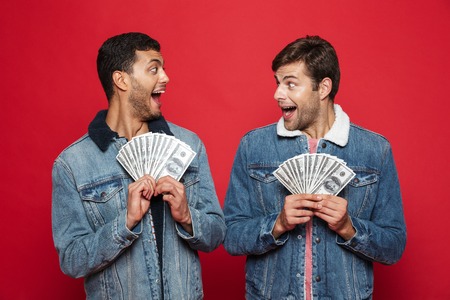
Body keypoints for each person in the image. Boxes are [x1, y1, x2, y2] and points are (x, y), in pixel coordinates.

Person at [223, 35, 406, 299]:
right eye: (277, 83)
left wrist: (349, 228)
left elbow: (394, 246)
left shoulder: (375, 151)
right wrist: (277, 224)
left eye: (290, 84)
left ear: (323, 88)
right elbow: (231, 236)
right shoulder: (253, 146)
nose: (277, 94)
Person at [52, 32, 226, 299]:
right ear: (121, 80)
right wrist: (125, 222)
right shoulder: (72, 164)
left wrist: (187, 216)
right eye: (154, 69)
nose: (165, 78)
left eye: (164, 69)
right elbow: (72, 259)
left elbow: (216, 234)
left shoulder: (189, 144)